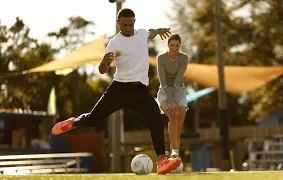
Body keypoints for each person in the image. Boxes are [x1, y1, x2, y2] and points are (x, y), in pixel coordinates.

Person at [51, 8, 181, 174]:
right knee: (92, 120)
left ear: (135, 22)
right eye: (125, 25)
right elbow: (102, 70)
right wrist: (105, 62)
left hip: (140, 91)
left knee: (155, 117)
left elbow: (151, 32)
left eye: (131, 24)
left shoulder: (141, 34)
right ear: (118, 23)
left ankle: (162, 160)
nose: (128, 27)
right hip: (119, 89)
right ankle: (73, 123)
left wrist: (161, 30)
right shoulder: (115, 42)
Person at [156, 33, 188, 158]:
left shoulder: (184, 58)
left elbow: (178, 78)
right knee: (173, 114)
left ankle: (174, 160)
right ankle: (175, 151)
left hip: (179, 91)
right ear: (168, 45)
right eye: (171, 45)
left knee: (177, 131)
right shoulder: (161, 58)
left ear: (180, 46)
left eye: (177, 46)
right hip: (164, 92)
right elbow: (163, 81)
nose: (174, 48)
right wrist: (170, 100)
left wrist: (174, 99)